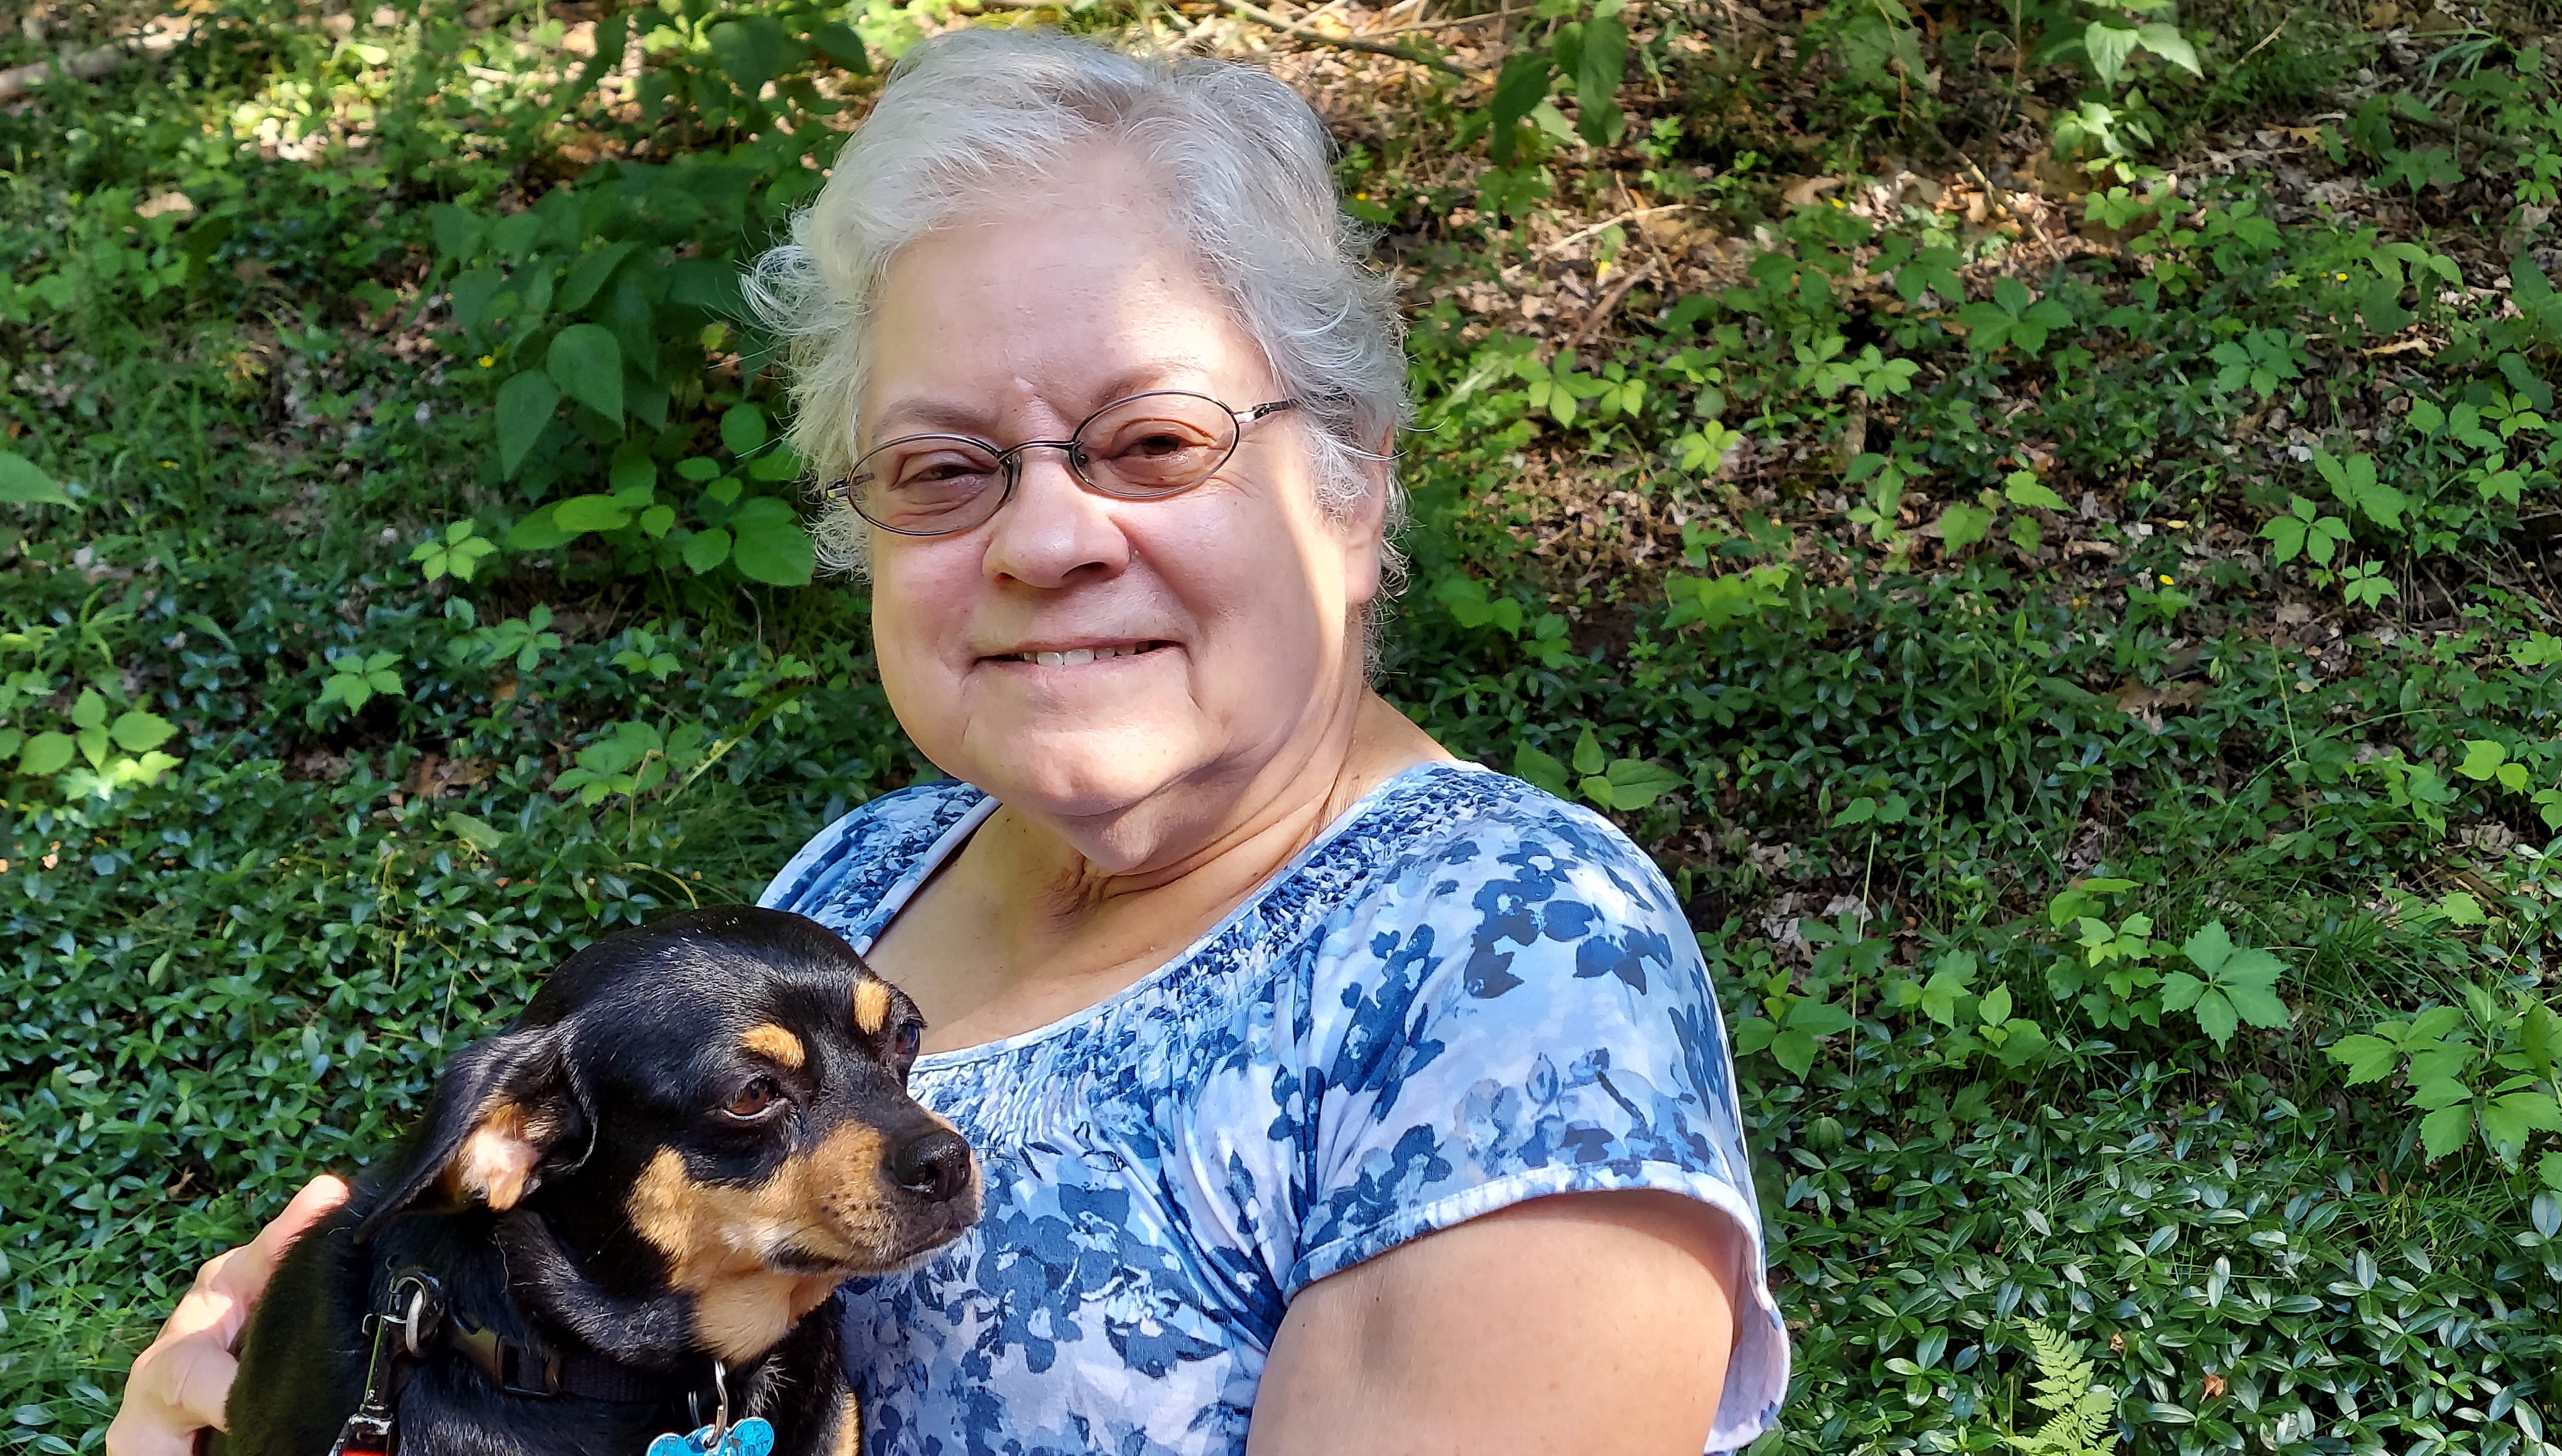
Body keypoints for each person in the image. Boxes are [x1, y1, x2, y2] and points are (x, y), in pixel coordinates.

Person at [109, 27, 1790, 1456]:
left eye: (1150, 439)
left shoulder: (1510, 966)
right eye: (942, 468)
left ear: (1352, 484)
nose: (1045, 540)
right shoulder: (860, 876)